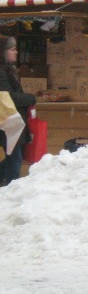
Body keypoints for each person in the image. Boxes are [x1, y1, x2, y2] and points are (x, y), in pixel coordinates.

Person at [0, 37, 35, 186]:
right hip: (7, 121)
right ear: (3, 52)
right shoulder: (1, 71)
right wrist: (30, 98)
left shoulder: (8, 68)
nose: (16, 52)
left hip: (11, 120)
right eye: (12, 49)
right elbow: (7, 96)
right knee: (15, 159)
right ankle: (12, 189)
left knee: (13, 157)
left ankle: (10, 190)